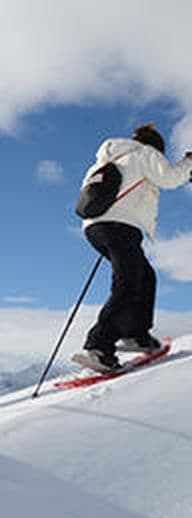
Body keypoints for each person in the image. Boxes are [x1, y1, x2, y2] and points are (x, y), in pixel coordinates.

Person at [75, 123, 192, 372]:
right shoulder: (144, 154)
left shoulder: (107, 161)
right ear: (156, 146)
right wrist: (189, 162)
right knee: (128, 284)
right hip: (121, 227)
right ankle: (99, 347)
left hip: (95, 228)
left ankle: (136, 334)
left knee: (144, 276)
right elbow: (170, 178)